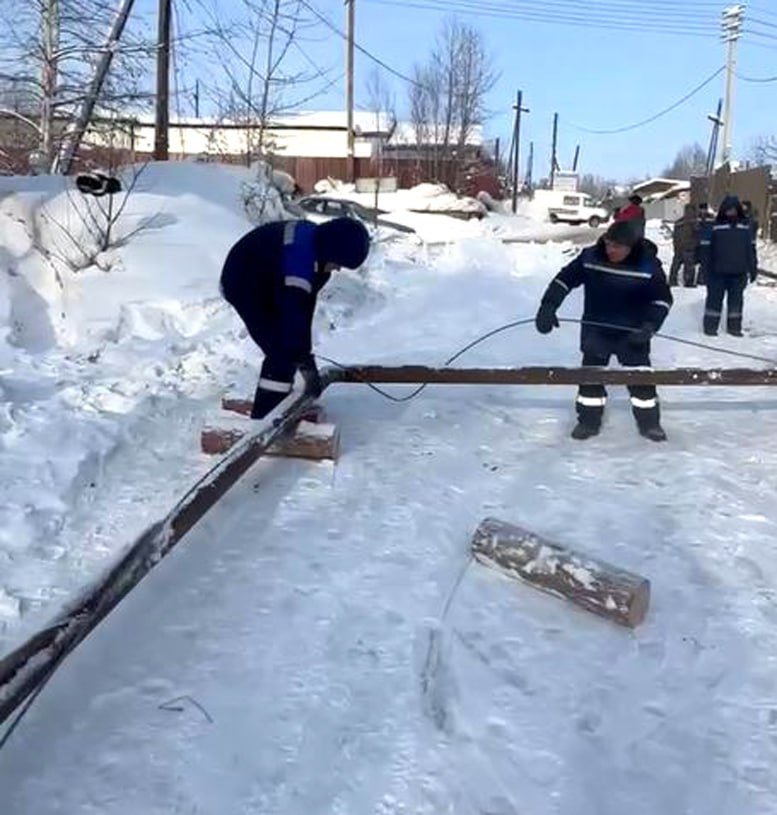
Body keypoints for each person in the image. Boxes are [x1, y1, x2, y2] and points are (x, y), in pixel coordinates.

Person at [534, 220, 673, 442]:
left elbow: (662, 300)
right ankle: (588, 422)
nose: (610, 250)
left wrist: (650, 326)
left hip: (633, 332)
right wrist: (548, 306)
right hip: (596, 329)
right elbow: (564, 280)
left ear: (631, 247)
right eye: (608, 244)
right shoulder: (591, 257)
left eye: (617, 247)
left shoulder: (648, 265)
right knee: (590, 378)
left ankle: (650, 424)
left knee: (641, 381)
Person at [221, 217, 371, 418]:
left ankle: (281, 400)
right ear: (330, 251)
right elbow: (293, 311)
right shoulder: (300, 261)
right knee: (280, 351)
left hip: (272, 277)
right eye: (338, 263)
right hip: (243, 280)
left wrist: (305, 355)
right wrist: (299, 358)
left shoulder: (317, 259)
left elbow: (304, 308)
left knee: (290, 346)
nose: (337, 269)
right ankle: (265, 420)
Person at [702, 195, 757, 337]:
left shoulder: (745, 227)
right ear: (723, 210)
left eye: (733, 210)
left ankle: (734, 328)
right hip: (716, 273)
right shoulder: (714, 226)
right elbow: (706, 251)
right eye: (728, 210)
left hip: (738, 273)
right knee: (714, 300)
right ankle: (710, 327)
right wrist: (705, 270)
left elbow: (750, 249)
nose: (731, 212)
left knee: (736, 302)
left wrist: (753, 268)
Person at [668, 203, 699, 287]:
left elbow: (675, 235)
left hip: (680, 247)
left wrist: (675, 245)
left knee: (676, 266)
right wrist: (695, 245)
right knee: (688, 267)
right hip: (688, 247)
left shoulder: (679, 222)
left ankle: (672, 280)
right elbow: (697, 235)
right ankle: (688, 282)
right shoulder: (694, 222)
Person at [696, 203, 713, 286]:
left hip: (708, 244)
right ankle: (700, 278)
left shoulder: (711, 218)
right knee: (700, 262)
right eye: (701, 209)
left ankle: (703, 278)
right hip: (698, 244)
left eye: (704, 209)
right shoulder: (696, 218)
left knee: (705, 262)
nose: (703, 211)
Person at [741, 199, 760, 274]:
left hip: (750, 239)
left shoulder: (750, 217)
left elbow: (752, 227)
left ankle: (752, 270)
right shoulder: (743, 215)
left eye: (743, 206)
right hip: (745, 240)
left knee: (751, 256)